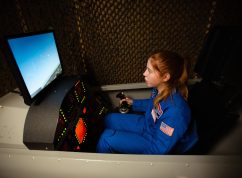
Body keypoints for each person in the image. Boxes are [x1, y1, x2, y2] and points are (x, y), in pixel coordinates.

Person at [96, 50, 198, 154]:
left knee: (106, 139)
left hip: (155, 142)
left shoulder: (177, 112)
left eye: (149, 71)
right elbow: (155, 105)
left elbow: (158, 150)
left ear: (165, 77)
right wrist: (133, 103)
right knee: (109, 118)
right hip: (149, 125)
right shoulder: (159, 89)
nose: (144, 73)